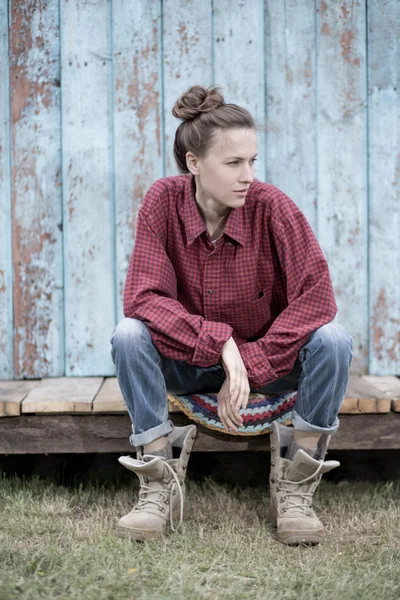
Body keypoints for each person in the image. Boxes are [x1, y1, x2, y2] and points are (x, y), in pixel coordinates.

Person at [110, 84, 353, 545]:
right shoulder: (162, 201)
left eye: (252, 161)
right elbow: (143, 297)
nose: (247, 175)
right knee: (128, 334)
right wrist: (223, 345)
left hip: (270, 368)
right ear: (194, 163)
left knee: (334, 340)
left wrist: (251, 362)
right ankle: (159, 483)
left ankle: (297, 485)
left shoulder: (272, 206)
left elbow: (317, 298)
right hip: (189, 366)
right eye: (233, 162)